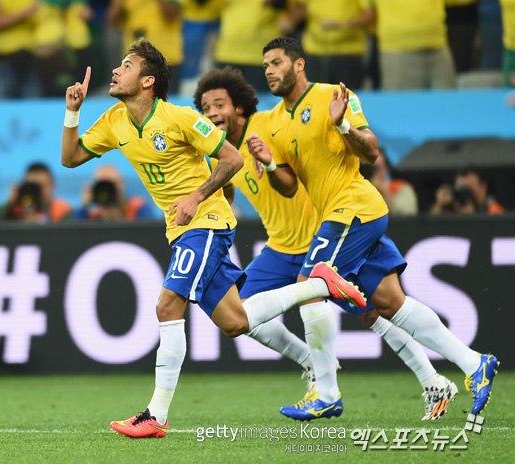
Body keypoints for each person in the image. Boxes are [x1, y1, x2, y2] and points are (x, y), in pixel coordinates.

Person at [61, 38, 366, 438]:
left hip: (206, 222)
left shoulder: (181, 119)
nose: (117, 71)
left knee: (168, 307)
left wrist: (196, 196)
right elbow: (70, 158)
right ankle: (317, 285)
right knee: (235, 322)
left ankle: (156, 415)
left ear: (148, 80)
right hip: (180, 229)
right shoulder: (115, 120)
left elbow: (233, 159)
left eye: (127, 65)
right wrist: (72, 112)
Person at [247, 36, 499, 421]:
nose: (269, 71)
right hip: (342, 214)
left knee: (308, 285)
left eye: (276, 62)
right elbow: (291, 185)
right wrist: (267, 164)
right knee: (388, 303)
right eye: (265, 65)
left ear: (298, 65)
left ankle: (326, 392)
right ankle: (473, 363)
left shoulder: (334, 95)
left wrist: (342, 123)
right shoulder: (277, 122)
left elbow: (371, 150)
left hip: (354, 208)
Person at [195, 66, 459, 421]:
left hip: (323, 240)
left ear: (239, 108)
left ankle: (432, 381)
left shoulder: (268, 126)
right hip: (279, 248)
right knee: (238, 314)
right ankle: (312, 363)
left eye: (218, 105)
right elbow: (224, 189)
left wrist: (270, 161)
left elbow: (297, 163)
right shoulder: (222, 152)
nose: (211, 113)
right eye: (204, 108)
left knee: (374, 312)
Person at [0, 162, 73, 223]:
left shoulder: (61, 211)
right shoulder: (14, 210)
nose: (37, 191)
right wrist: (8, 204)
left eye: (41, 186)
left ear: (52, 186)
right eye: (33, 186)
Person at [76, 164, 155, 221]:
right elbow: (75, 233)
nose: (106, 189)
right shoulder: (92, 214)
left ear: (121, 183)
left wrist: (119, 218)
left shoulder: (138, 207)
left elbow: (148, 232)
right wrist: (84, 207)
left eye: (110, 184)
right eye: (102, 184)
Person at [362, 147, 419, 216]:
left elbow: (407, 216)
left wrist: (384, 192)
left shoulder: (402, 189)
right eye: (366, 169)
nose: (372, 173)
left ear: (386, 168)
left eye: (376, 168)